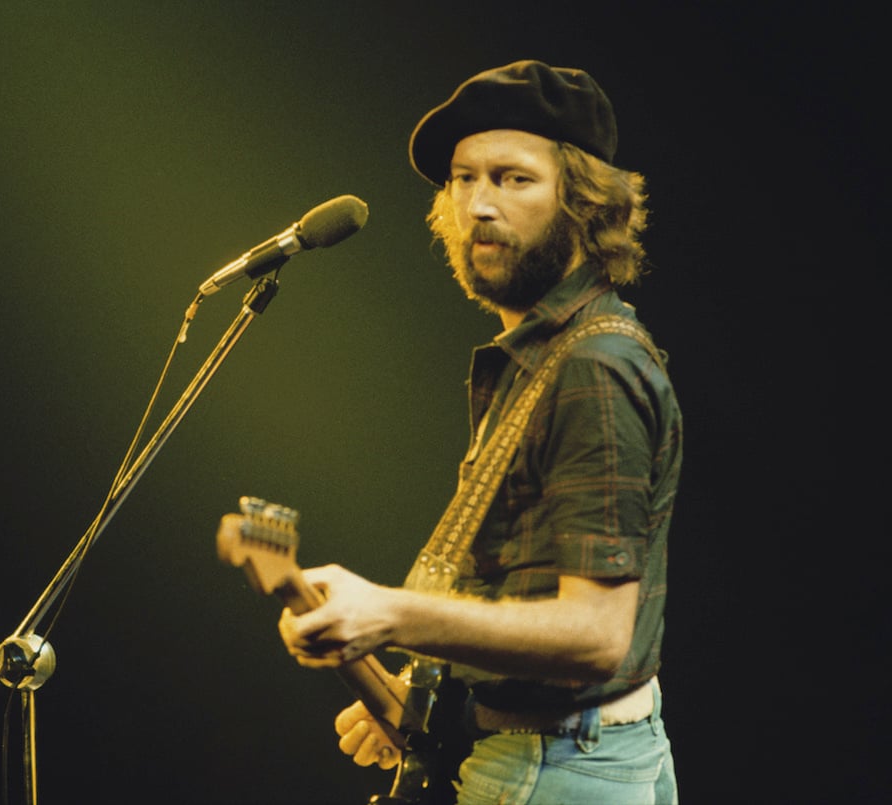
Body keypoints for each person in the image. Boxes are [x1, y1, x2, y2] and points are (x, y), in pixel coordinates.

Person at [276, 60, 682, 804]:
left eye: (513, 179)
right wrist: (425, 688)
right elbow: (519, 581)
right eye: (464, 179)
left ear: (585, 204)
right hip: (559, 751)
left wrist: (391, 613)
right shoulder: (540, 358)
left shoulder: (594, 365)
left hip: (555, 764)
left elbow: (597, 634)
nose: (478, 206)